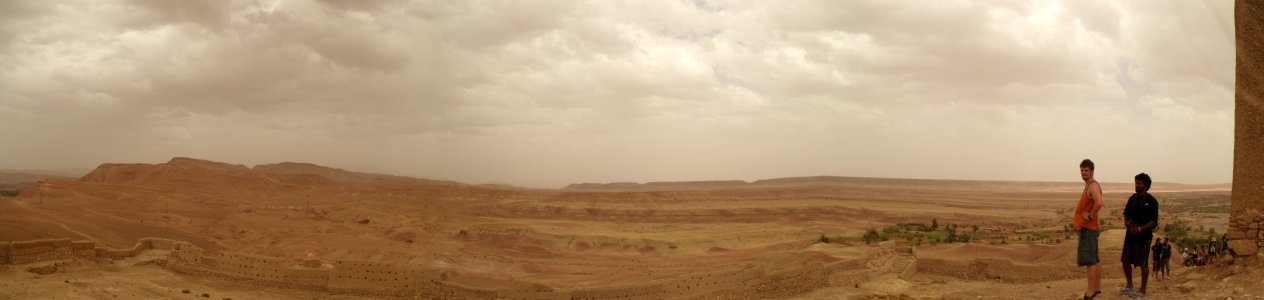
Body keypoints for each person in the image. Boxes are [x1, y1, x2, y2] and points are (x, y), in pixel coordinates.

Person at [1120, 173, 1159, 297]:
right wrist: (1126, 223)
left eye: (1139, 183)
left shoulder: (1152, 201)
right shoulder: (1132, 198)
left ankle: (1142, 290)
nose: (1137, 185)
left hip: (1144, 237)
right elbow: (1126, 213)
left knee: (1143, 263)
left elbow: (1154, 222)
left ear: (1146, 185)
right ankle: (1130, 285)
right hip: (1130, 235)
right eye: (1136, 183)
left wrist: (1141, 229)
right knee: (1125, 260)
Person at [1075, 159, 1105, 300]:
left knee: (1090, 261)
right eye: (1082, 170)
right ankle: (1096, 289)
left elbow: (1099, 202)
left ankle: (1090, 293)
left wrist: (1090, 215)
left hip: (1089, 227)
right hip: (1092, 228)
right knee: (1095, 259)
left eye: (1086, 170)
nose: (1083, 172)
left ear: (1092, 171)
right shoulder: (1091, 185)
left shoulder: (1092, 185)